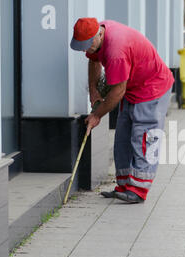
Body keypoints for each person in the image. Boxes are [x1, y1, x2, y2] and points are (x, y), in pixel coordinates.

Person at [70, 18, 174, 204]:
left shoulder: (116, 50)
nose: (86, 50)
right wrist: (93, 91)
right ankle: (124, 186)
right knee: (123, 137)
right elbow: (94, 61)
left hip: (152, 88)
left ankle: (139, 189)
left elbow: (118, 91)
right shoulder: (97, 34)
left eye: (87, 45)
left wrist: (96, 115)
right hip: (133, 87)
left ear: (98, 34)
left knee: (144, 138)